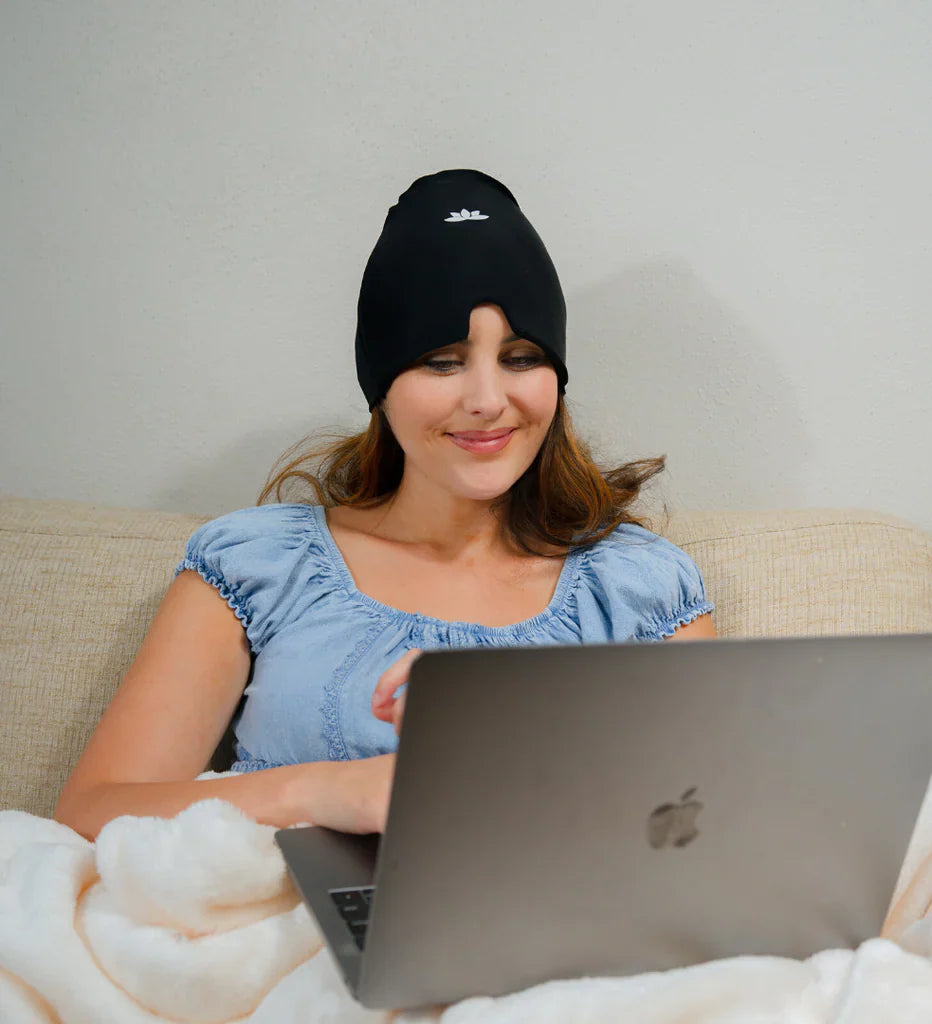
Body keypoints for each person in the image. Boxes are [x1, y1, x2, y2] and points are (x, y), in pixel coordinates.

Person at [54, 169, 716, 843]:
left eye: (520, 358)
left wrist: (511, 718)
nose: (488, 400)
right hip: (285, 907)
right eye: (442, 361)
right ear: (381, 385)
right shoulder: (260, 564)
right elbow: (89, 814)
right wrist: (328, 790)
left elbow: (713, 828)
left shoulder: (639, 587)